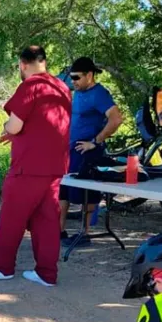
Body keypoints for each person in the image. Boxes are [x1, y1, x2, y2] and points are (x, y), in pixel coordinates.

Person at [0, 46, 71, 287]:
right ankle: (47, 273)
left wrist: (7, 129)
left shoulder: (31, 85)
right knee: (47, 221)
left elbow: (15, 125)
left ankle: (1, 267)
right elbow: (44, 125)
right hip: (55, 168)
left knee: (11, 218)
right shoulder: (62, 87)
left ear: (22, 64)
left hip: (28, 167)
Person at [59, 57, 123, 246]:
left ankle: (84, 234)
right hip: (70, 150)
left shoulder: (100, 94)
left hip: (87, 152)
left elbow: (116, 119)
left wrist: (95, 142)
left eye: (77, 78)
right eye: (71, 78)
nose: (74, 82)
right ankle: (59, 232)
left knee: (86, 195)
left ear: (89, 75)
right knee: (63, 191)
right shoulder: (78, 91)